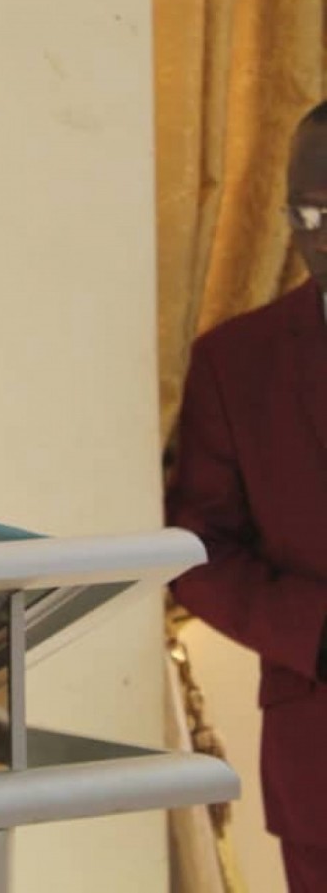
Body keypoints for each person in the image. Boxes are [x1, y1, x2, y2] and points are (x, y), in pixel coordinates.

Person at [167, 100, 327, 892]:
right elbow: (195, 548)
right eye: (305, 211)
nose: (321, 234)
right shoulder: (237, 363)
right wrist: (316, 631)